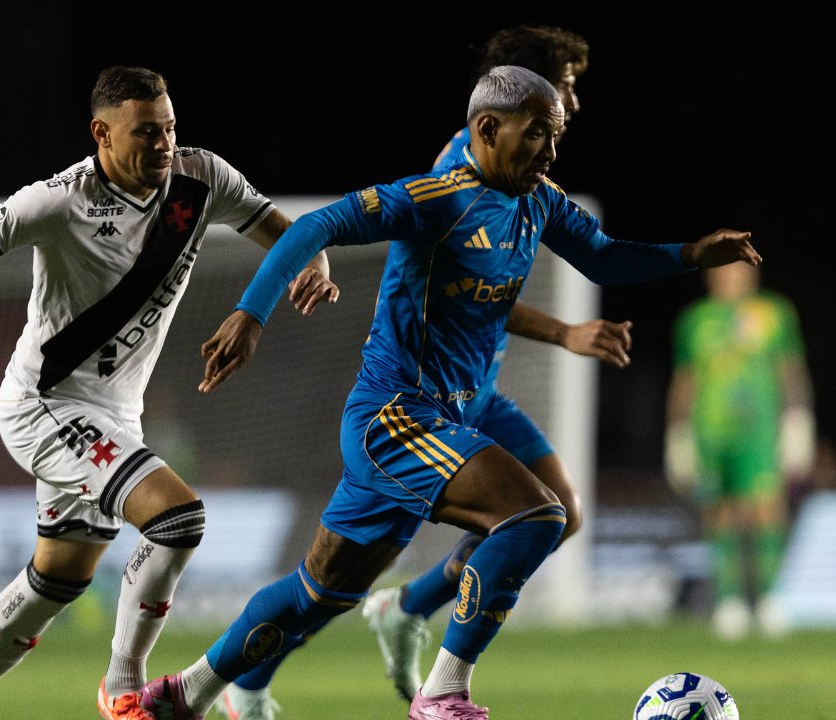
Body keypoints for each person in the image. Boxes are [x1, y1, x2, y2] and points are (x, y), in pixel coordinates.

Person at [120, 65, 759, 720]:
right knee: (536, 515)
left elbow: (603, 256)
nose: (550, 150)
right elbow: (318, 227)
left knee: (319, 594)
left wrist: (688, 255)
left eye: (556, 136)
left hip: (441, 418)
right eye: (538, 133)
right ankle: (443, 693)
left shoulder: (538, 199)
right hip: (393, 417)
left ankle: (182, 693)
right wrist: (251, 314)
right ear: (487, 128)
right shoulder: (439, 197)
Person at [0, 66, 338, 720]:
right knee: (178, 520)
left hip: (114, 417)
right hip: (42, 406)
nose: (163, 145)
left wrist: (310, 266)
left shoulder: (200, 178)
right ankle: (123, 689)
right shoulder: (58, 201)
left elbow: (293, 233)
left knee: (57, 579)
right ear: (101, 135)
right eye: (145, 133)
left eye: (168, 128)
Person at [212, 24, 635, 719]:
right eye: (567, 83)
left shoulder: (525, 175)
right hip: (419, 395)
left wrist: (565, 332)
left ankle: (410, 608)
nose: (575, 102)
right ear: (525, 86)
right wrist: (562, 331)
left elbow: (492, 291)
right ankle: (251, 676)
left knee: (555, 513)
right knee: (335, 576)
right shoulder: (459, 171)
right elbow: (453, 280)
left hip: (478, 390)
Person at [663, 261, 814, 640]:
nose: (731, 277)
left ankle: (768, 599)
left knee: (766, 510)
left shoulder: (774, 312)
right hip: (711, 430)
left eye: (738, 269)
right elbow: (685, 378)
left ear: (752, 273)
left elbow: (790, 369)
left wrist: (798, 420)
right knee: (721, 514)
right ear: (710, 275)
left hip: (759, 429)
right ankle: (728, 602)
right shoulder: (694, 320)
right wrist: (677, 433)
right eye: (723, 269)